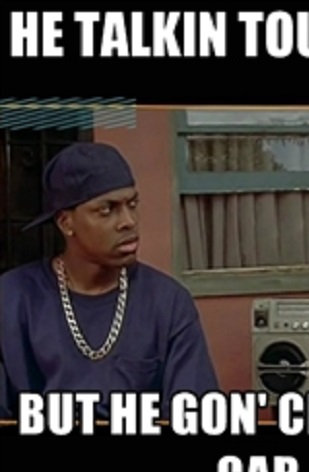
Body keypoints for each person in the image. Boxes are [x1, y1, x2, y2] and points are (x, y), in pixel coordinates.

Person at [0, 142, 219, 419]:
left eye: (132, 205)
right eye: (107, 210)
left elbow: (195, 415)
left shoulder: (168, 302)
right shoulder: (12, 298)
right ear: (66, 222)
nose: (128, 221)